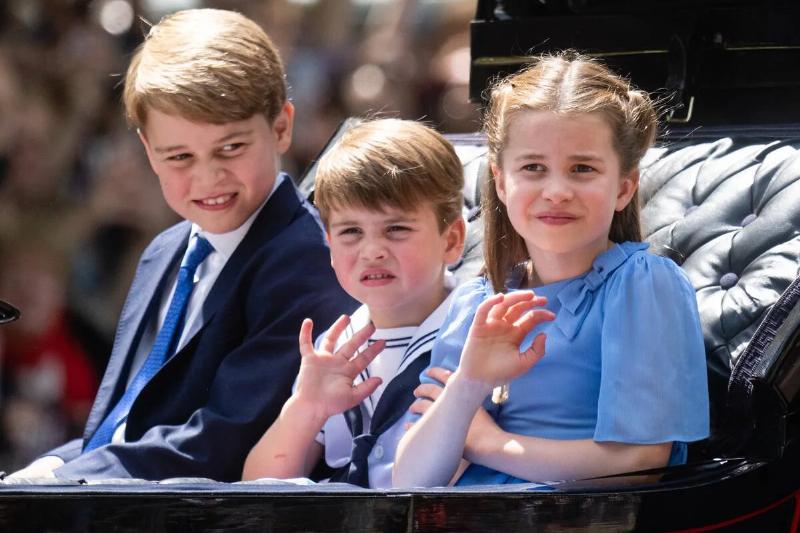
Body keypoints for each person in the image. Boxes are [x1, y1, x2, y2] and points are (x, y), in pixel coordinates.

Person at [9, 8, 356, 481]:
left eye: (230, 148)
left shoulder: (311, 260)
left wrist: (62, 483)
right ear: (148, 150)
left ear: (281, 128)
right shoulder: (164, 252)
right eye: (179, 157)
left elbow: (224, 441)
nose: (207, 177)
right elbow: (124, 426)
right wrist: (50, 468)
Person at [393, 52, 710, 487]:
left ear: (624, 187)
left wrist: (488, 443)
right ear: (501, 182)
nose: (557, 191)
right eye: (533, 168)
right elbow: (411, 480)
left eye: (582, 169)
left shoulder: (641, 285)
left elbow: (641, 461)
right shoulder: (475, 302)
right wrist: (467, 385)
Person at [241, 119, 466, 488]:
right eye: (351, 232)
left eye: (396, 229)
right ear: (329, 245)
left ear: (452, 240)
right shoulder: (335, 349)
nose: (372, 251)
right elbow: (258, 486)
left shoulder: (478, 334)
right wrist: (307, 408)